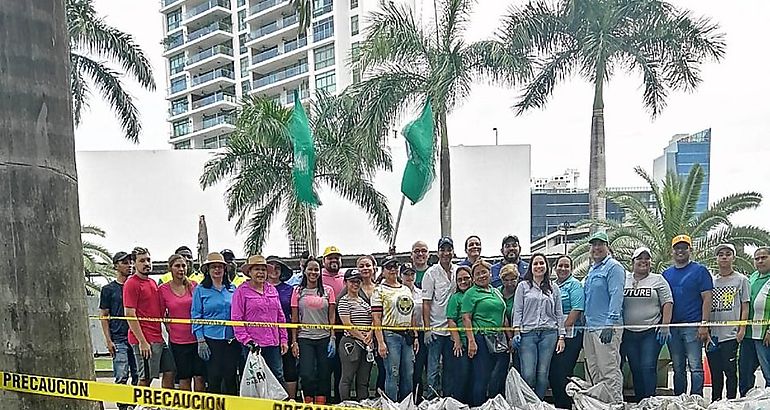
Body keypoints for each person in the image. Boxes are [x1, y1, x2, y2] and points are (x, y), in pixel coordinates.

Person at [663, 234, 713, 396]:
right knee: (678, 367)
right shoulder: (666, 274)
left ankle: (696, 398)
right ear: (672, 251)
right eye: (677, 248)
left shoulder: (700, 271)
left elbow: (707, 298)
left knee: (696, 366)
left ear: (690, 250)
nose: (680, 251)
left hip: (693, 326)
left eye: (684, 247)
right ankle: (680, 399)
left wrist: (704, 323)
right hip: (673, 327)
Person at [621, 247, 673, 402]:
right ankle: (640, 401)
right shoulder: (624, 279)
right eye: (639, 258)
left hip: (650, 331)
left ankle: (650, 401)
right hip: (628, 332)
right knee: (635, 368)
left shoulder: (658, 279)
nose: (643, 261)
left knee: (648, 367)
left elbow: (668, 302)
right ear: (633, 262)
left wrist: (665, 325)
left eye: (647, 258)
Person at [511, 253, 565, 399]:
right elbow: (517, 310)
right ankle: (527, 403)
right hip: (528, 334)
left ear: (546, 267)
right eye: (535, 263)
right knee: (528, 374)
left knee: (542, 374)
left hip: (549, 334)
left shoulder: (554, 288)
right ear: (531, 267)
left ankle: (538, 404)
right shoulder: (523, 286)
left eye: (542, 263)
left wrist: (561, 337)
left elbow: (559, 313)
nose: (539, 266)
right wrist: (516, 332)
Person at [231, 255, 289, 387]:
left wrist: (284, 339)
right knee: (255, 380)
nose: (261, 273)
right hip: (253, 344)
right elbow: (236, 319)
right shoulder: (241, 291)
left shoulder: (272, 289)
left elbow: (280, 316)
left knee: (277, 376)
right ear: (249, 272)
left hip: (273, 342)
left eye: (263, 269)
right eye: (257, 269)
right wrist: (247, 341)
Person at [123, 247, 175, 388]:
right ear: (134, 263)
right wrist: (142, 341)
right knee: (146, 378)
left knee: (169, 371)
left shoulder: (152, 282)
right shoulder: (131, 284)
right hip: (145, 339)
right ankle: (139, 406)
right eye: (142, 260)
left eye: (148, 260)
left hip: (158, 337)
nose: (146, 263)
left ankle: (164, 405)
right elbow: (129, 314)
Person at [583, 232, 624, 403]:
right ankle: (598, 404)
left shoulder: (614, 267)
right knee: (593, 370)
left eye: (600, 244)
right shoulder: (593, 269)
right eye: (594, 245)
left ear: (607, 246)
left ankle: (615, 404)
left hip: (605, 327)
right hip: (589, 327)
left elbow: (616, 295)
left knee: (609, 370)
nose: (597, 248)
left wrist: (610, 323)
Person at [372, 255, 419, 401]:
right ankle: (391, 404)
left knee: (409, 372)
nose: (393, 270)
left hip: (407, 335)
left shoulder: (406, 289)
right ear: (383, 271)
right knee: (393, 373)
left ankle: (406, 403)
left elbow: (411, 314)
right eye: (389, 267)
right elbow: (376, 318)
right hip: (390, 335)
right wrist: (380, 342)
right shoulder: (378, 290)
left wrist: (415, 335)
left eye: (395, 266)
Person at [291, 257, 336, 405]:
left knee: (324, 374)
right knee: (307, 374)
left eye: (316, 269)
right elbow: (295, 319)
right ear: (304, 271)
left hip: (324, 338)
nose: (313, 272)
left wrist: (333, 338)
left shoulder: (328, 291)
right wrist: (294, 342)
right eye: (310, 269)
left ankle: (321, 404)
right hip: (305, 338)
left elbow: (331, 316)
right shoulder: (298, 291)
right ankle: (308, 402)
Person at [191, 252, 239, 394]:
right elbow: (196, 315)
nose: (217, 270)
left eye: (220, 267)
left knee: (231, 377)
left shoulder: (233, 289)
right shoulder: (200, 290)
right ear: (208, 270)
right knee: (214, 377)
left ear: (225, 270)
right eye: (213, 267)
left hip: (231, 339)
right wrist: (200, 339)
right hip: (211, 338)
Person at [462, 260, 508, 407]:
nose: (481, 276)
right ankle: (478, 406)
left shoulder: (496, 291)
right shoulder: (471, 293)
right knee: (481, 376)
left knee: (498, 376)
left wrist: (510, 337)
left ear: (490, 273)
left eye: (484, 272)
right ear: (473, 278)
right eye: (477, 274)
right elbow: (466, 318)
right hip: (481, 338)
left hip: (499, 339)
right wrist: (471, 341)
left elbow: (503, 315)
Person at [708, 243, 749, 401]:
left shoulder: (741, 280)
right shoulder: (711, 281)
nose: (724, 257)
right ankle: (715, 401)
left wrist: (742, 329)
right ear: (716, 258)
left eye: (727, 254)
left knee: (730, 371)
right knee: (715, 373)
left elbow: (745, 305)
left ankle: (731, 401)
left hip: (731, 335)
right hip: (713, 336)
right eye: (721, 254)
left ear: (733, 257)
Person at [159, 254, 205, 391]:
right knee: (184, 378)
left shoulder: (194, 286)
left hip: (197, 339)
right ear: (170, 268)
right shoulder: (163, 289)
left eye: (183, 266)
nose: (181, 269)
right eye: (177, 266)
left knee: (200, 377)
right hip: (178, 342)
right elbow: (161, 314)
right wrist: (170, 328)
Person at [99, 251, 138, 409]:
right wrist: (108, 340)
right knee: (121, 375)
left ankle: (135, 405)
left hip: (136, 337)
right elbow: (103, 315)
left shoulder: (136, 286)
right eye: (124, 262)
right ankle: (122, 406)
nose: (129, 265)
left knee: (139, 375)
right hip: (119, 338)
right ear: (116, 266)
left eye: (130, 262)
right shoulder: (109, 289)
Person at [422, 236, 457, 398]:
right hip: (435, 329)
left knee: (450, 368)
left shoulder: (458, 271)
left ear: (453, 251)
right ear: (437, 252)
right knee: (433, 368)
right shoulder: (431, 273)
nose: (446, 253)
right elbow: (426, 303)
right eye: (442, 249)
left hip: (452, 330)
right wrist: (427, 329)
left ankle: (448, 398)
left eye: (448, 249)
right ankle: (431, 398)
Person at [548, 255, 584, 409]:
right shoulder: (551, 285)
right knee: (553, 373)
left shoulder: (574, 285)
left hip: (569, 337)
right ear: (555, 268)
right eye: (560, 266)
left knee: (562, 373)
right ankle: (559, 404)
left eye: (566, 266)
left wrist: (561, 332)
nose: (563, 269)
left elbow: (576, 310)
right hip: (554, 336)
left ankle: (565, 404)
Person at [338, 269, 374, 401]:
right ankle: (345, 404)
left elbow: (373, 320)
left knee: (363, 380)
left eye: (358, 281)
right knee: (347, 377)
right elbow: (347, 324)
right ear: (345, 283)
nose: (355, 284)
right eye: (352, 281)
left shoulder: (364, 301)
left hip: (367, 344)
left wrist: (370, 334)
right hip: (351, 342)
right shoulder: (343, 301)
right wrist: (363, 337)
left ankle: (363, 404)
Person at [739, 247, 770, 397]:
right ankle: (746, 400)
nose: (760, 261)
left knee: (768, 373)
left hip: (764, 336)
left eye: (764, 257)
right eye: (757, 258)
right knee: (744, 373)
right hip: (748, 335)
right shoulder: (752, 277)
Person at [267, 256, 299, 400]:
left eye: (278, 268)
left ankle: (290, 401)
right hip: (264, 333)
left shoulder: (289, 289)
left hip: (285, 330)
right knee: (269, 370)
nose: (274, 271)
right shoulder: (257, 288)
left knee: (289, 369)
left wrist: (294, 340)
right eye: (271, 267)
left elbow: (294, 316)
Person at [445, 265, 472, 404]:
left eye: (466, 278)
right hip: (461, 342)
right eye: (459, 279)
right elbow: (451, 320)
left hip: (478, 341)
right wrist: (457, 342)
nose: (463, 282)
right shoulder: (455, 298)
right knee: (461, 376)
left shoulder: (476, 293)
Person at [321, 245, 344, 402]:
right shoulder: (318, 276)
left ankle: (338, 400)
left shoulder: (345, 277)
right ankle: (325, 400)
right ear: (324, 261)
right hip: (324, 329)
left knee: (341, 369)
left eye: (337, 257)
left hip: (344, 328)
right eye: (330, 258)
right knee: (324, 368)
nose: (334, 260)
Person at [401, 263, 428, 400]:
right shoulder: (397, 292)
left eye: (412, 274)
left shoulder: (421, 292)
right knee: (405, 369)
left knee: (418, 367)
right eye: (406, 274)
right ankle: (405, 398)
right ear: (401, 276)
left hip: (420, 332)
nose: (409, 277)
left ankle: (418, 397)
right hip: (403, 332)